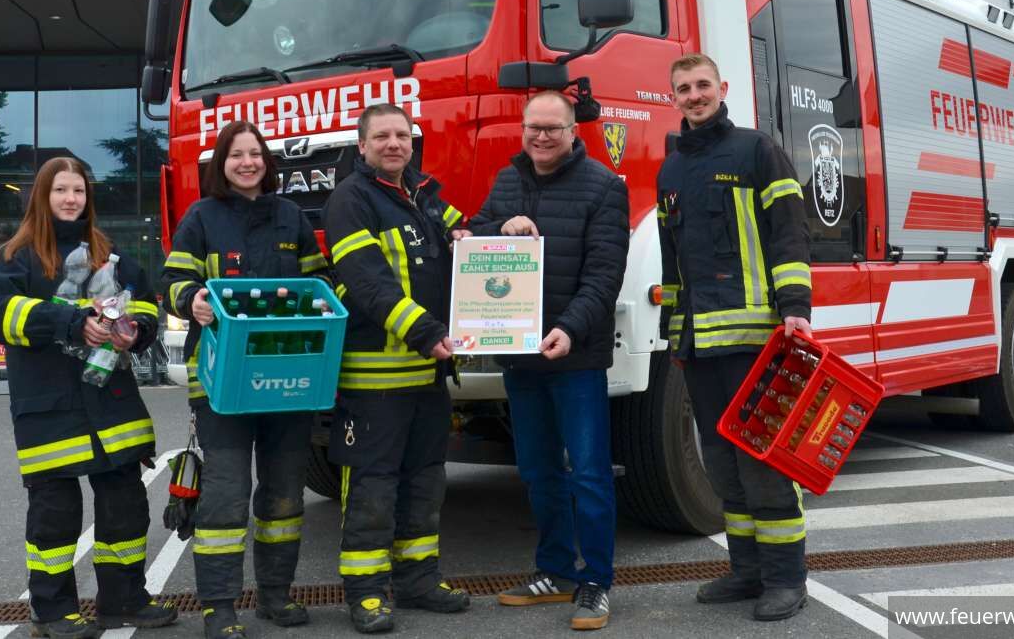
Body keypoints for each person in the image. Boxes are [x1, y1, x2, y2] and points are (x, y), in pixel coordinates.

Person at [0, 157, 177, 639]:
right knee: (54, 515)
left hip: (112, 405)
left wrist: (136, 331)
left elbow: (146, 306)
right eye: (61, 190)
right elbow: (3, 316)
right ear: (41, 197)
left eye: (79, 191)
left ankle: (123, 600)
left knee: (126, 508)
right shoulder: (16, 258)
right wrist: (72, 322)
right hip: (50, 410)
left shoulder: (110, 256)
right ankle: (52, 613)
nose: (71, 199)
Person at [464, 90, 629, 631]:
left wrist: (568, 328)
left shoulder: (605, 187)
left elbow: (605, 275)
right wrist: (494, 230)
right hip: (520, 355)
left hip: (574, 355)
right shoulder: (509, 180)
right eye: (533, 127)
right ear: (523, 128)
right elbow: (477, 235)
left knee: (587, 474)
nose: (541, 137)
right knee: (537, 471)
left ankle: (596, 583)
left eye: (553, 129)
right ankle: (555, 571)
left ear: (573, 132)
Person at [657, 54, 813, 622]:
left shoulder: (756, 150)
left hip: (757, 340)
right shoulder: (670, 170)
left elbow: (789, 233)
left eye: (702, 86)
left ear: (722, 89)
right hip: (700, 346)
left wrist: (795, 308)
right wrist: (674, 336)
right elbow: (674, 264)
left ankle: (785, 579)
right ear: (672, 98)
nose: (694, 96)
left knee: (765, 460)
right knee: (721, 462)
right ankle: (747, 571)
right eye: (683, 89)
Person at [160, 121, 329, 639]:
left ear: (267, 162)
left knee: (282, 497)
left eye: (255, 154)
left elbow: (318, 282)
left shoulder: (290, 216)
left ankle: (275, 597)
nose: (248, 162)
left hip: (286, 378)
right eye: (237, 155)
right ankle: (220, 606)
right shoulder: (201, 218)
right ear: (221, 163)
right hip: (222, 386)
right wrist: (192, 300)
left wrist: (324, 299)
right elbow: (170, 280)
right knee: (226, 496)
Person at [320, 103, 470, 635]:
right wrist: (429, 334)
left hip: (427, 379)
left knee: (426, 484)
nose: (393, 144)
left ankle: (418, 580)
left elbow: (469, 239)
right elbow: (368, 283)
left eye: (401, 135)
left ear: (412, 142)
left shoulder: (423, 197)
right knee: (372, 490)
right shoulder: (351, 200)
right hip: (374, 381)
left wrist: (505, 229)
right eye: (381, 136)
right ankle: (364, 592)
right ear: (361, 147)